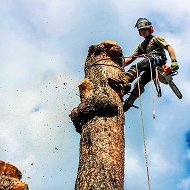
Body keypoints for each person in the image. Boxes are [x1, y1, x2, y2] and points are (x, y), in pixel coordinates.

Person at [123, 18, 179, 112]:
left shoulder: (156, 39)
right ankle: (127, 105)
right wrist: (118, 63)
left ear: (150, 29)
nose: (143, 31)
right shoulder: (141, 46)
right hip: (151, 68)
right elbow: (131, 58)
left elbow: (169, 48)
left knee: (137, 67)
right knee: (140, 83)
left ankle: (124, 81)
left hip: (157, 61)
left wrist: (174, 62)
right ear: (139, 32)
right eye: (141, 30)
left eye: (145, 29)